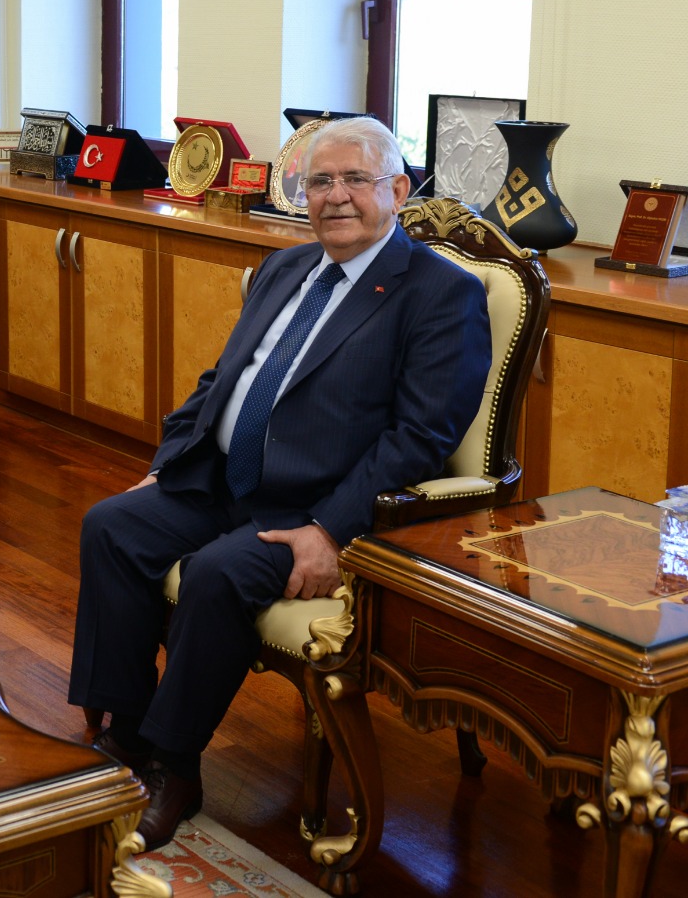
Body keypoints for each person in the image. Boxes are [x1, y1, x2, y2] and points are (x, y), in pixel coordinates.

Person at [67, 116, 492, 849]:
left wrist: (329, 529)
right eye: (320, 181)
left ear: (397, 190)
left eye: (355, 179)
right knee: (111, 526)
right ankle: (126, 731)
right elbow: (221, 381)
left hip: (312, 507)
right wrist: (164, 466)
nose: (335, 196)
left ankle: (174, 765)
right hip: (222, 481)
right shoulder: (286, 268)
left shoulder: (440, 294)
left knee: (215, 575)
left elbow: (421, 437)